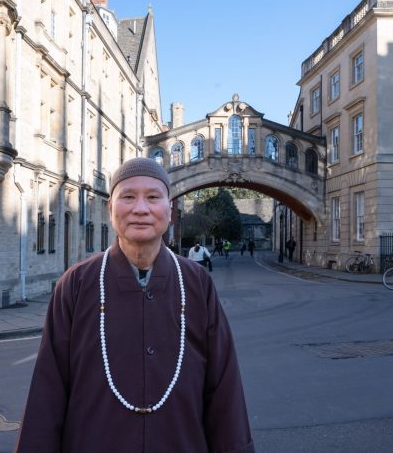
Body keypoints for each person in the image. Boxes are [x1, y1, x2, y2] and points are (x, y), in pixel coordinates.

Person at [15, 158, 254, 453]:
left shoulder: (196, 283)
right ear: (110, 208)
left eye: (153, 197)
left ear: (170, 209)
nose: (140, 208)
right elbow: (47, 390)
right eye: (128, 196)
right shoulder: (77, 284)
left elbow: (224, 388)